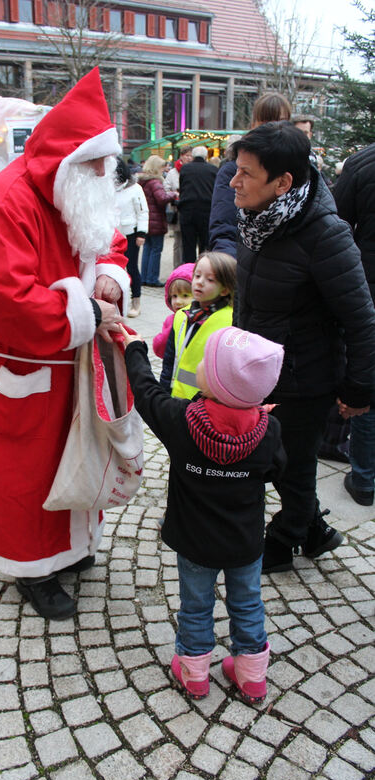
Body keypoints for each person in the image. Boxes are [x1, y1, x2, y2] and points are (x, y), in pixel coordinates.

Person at [0, 68, 130, 621]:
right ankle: (31, 568)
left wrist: (108, 273)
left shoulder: (73, 185)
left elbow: (109, 237)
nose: (107, 172)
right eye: (97, 162)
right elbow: (10, 306)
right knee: (26, 472)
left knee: (72, 457)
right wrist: (89, 312)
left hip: (69, 361)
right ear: (69, 160)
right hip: (23, 368)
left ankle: (71, 546)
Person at [230, 121, 375, 573]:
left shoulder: (324, 233)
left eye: (246, 173)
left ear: (283, 182)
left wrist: (358, 389)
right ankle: (313, 529)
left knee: (290, 464)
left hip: (303, 376)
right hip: (260, 369)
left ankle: (286, 537)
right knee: (276, 460)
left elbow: (361, 317)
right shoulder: (258, 218)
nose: (234, 182)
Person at [120, 324, 286, 703]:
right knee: (247, 602)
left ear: (214, 382)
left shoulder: (181, 420)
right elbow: (277, 471)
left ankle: (194, 673)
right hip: (244, 542)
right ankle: (251, 673)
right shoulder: (269, 429)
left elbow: (146, 392)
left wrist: (135, 348)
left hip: (193, 540)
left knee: (196, 604)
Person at [333, 143, 375, 506]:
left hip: (368, 286)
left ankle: (364, 478)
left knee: (368, 379)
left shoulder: (362, 164)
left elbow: (337, 224)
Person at [209, 92, 291, 257]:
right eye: (265, 122)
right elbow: (224, 227)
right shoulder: (232, 171)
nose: (272, 128)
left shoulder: (303, 170)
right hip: (247, 264)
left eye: (280, 121)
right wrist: (229, 268)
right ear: (254, 125)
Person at [160, 251, 236, 398]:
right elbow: (170, 359)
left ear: (225, 289)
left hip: (206, 405)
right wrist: (163, 392)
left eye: (210, 279)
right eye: (197, 275)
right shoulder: (182, 315)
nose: (200, 282)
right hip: (176, 397)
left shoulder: (230, 322)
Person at [114, 157, 149, 318]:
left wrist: (141, 233)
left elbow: (142, 211)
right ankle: (118, 302)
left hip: (131, 233)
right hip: (112, 234)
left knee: (132, 268)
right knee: (114, 269)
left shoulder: (135, 188)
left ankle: (136, 301)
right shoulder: (108, 188)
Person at [139, 155, 178, 287]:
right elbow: (161, 198)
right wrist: (174, 194)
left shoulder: (143, 181)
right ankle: (152, 278)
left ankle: (144, 277)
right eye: (162, 167)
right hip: (156, 220)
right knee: (156, 249)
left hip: (146, 220)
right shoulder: (155, 182)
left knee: (147, 249)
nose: (164, 169)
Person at [178, 146, 218, 263]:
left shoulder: (185, 169)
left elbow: (182, 188)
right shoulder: (213, 170)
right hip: (206, 210)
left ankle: (189, 271)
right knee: (205, 244)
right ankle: (203, 267)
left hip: (187, 210)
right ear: (206, 156)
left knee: (188, 245)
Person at [152, 262, 194, 359]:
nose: (178, 302)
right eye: (174, 296)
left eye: (185, 296)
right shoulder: (171, 320)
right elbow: (160, 349)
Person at [164, 146, 193, 267]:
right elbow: (166, 188)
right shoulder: (172, 172)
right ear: (181, 156)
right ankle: (177, 266)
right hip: (177, 209)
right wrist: (174, 194)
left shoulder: (193, 170)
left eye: (191, 156)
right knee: (178, 240)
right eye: (187, 155)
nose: (189, 158)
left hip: (190, 207)